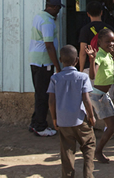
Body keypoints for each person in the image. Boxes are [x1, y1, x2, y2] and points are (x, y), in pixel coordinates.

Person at [48, 45, 96, 178]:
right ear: (76, 60)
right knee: (89, 146)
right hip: (80, 119)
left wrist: (54, 118)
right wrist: (91, 116)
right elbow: (86, 99)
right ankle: (88, 175)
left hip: (63, 121)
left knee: (67, 151)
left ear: (60, 60)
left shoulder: (55, 78)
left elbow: (51, 101)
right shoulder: (82, 77)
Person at [28, 0, 63, 137]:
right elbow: (49, 46)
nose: (59, 11)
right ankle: (40, 126)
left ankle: (35, 123)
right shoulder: (47, 22)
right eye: (59, 8)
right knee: (43, 95)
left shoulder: (39, 16)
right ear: (53, 7)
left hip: (35, 60)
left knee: (39, 92)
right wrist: (57, 66)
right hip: (43, 62)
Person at [78, 0, 114, 93]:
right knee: (106, 98)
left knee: (91, 99)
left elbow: (83, 52)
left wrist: (81, 70)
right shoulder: (109, 29)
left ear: (88, 14)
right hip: (107, 68)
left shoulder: (85, 29)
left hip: (90, 67)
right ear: (102, 13)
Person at [85, 28, 114, 164]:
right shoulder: (99, 55)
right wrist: (92, 60)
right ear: (99, 43)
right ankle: (97, 151)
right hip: (98, 96)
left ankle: (97, 150)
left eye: (113, 41)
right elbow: (92, 75)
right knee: (112, 126)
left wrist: (113, 51)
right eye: (107, 42)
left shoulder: (108, 55)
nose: (111, 44)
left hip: (103, 95)